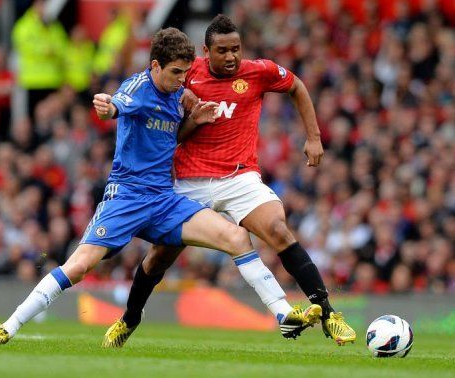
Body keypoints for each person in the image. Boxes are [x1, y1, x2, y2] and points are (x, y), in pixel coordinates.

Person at [0, 27, 321, 347]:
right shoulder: (138, 89)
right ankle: (7, 327)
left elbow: (176, 124)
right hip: (127, 196)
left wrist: (194, 113)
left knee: (236, 237)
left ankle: (282, 314)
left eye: (186, 73)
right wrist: (106, 108)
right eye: (175, 73)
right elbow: (115, 106)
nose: (182, 80)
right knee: (79, 266)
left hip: (165, 198)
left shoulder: (178, 93)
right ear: (155, 66)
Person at [115, 15, 356, 347]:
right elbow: (175, 133)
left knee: (278, 230)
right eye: (222, 50)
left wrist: (313, 137)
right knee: (159, 256)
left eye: (236, 49)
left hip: (240, 177)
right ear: (206, 51)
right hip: (189, 181)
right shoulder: (186, 75)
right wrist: (190, 113)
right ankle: (129, 319)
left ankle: (328, 314)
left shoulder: (259, 71)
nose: (231, 57)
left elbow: (297, 86)